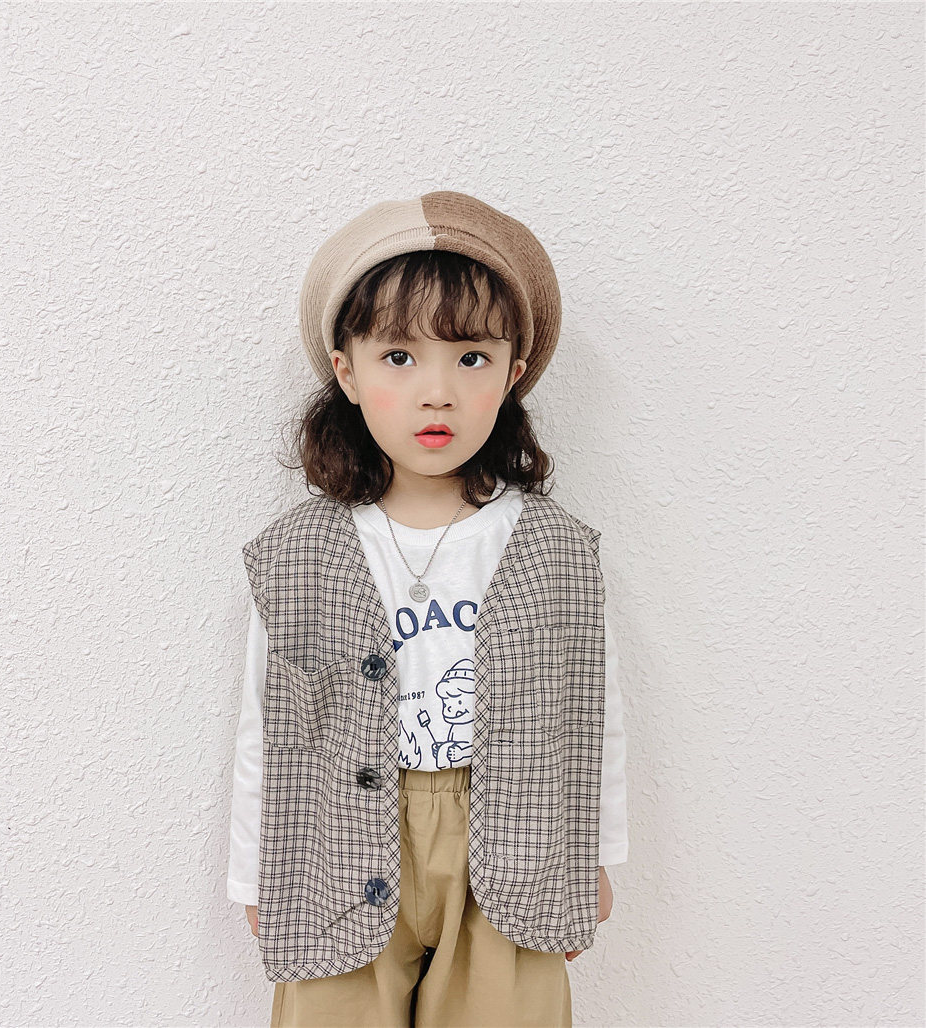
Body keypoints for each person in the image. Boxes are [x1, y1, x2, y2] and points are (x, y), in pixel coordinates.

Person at [228, 190, 629, 1027]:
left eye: (472, 357)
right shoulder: (300, 552)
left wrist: (592, 854)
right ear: (347, 373)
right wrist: (255, 873)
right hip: (338, 843)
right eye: (399, 356)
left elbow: (591, 710)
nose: (437, 392)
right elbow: (269, 726)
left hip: (514, 835)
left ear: (513, 372)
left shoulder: (554, 547)